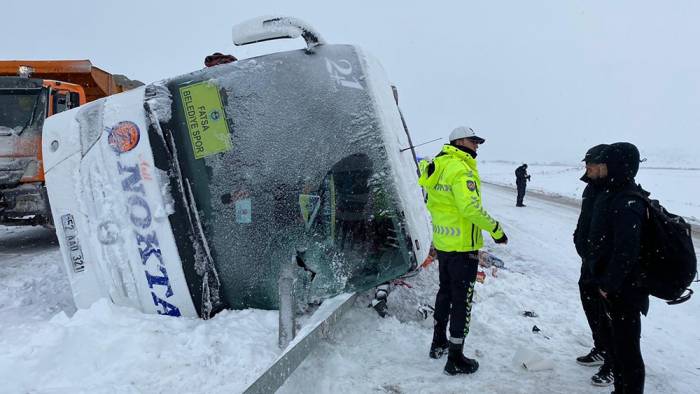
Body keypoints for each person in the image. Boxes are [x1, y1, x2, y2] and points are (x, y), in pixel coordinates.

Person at [418, 126, 508, 375]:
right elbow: (470, 209)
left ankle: (438, 343)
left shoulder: (438, 165)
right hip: (462, 248)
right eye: (474, 141)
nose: (477, 146)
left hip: (445, 245)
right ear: (459, 141)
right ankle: (455, 358)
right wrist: (497, 230)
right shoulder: (460, 169)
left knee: (445, 293)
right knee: (462, 301)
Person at [586, 142, 648, 394]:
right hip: (613, 288)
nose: (598, 167)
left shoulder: (628, 201)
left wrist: (608, 285)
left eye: (603, 164)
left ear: (617, 167)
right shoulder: (611, 193)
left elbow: (626, 252)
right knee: (618, 347)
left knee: (628, 351)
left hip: (625, 291)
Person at [573, 144, 614, 387]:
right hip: (589, 263)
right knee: (592, 307)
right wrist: (579, 241)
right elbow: (585, 221)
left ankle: (614, 361)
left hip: (607, 266)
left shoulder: (615, 191)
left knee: (612, 315)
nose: (587, 168)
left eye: (592, 164)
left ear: (606, 166)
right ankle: (601, 347)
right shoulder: (591, 188)